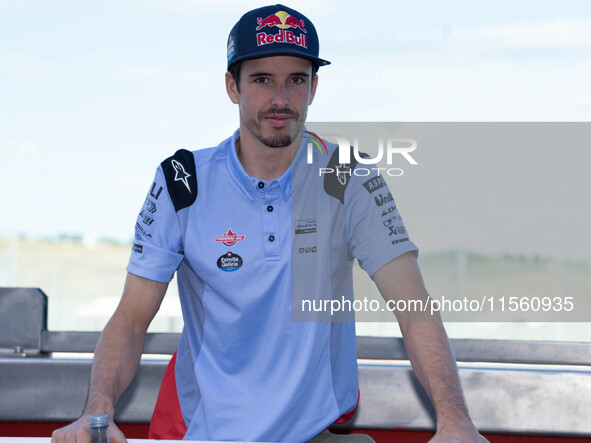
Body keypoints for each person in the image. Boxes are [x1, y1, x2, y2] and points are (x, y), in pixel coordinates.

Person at [52, 4, 487, 443]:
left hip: (313, 434)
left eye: (296, 80)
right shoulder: (183, 181)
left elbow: (413, 308)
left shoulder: (348, 174)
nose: (281, 99)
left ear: (314, 87)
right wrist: (97, 412)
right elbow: (130, 319)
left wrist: (455, 422)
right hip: (207, 434)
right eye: (262, 79)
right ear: (232, 86)